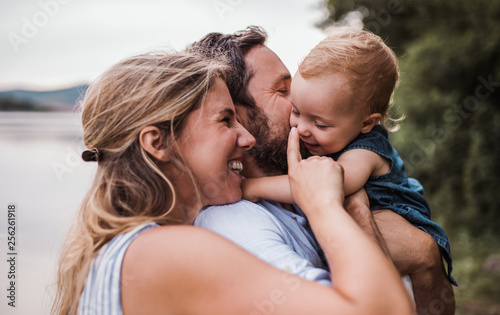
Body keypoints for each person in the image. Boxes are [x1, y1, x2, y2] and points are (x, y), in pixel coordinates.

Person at [52, 50, 413, 315]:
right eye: (225, 121)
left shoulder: (131, 249)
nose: (247, 138)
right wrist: (323, 204)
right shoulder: (164, 252)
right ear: (157, 143)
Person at [191, 26, 456, 314]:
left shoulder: (342, 159)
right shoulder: (235, 222)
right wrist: (361, 215)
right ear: (237, 114)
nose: (302, 102)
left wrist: (426, 256)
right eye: (283, 91)